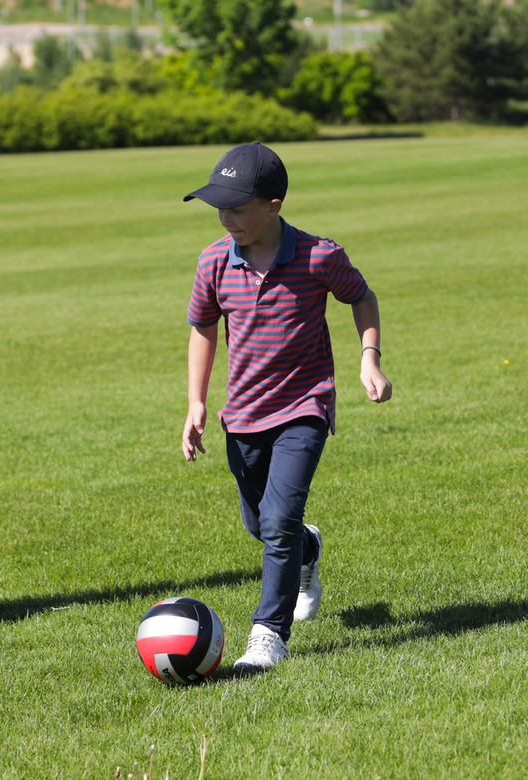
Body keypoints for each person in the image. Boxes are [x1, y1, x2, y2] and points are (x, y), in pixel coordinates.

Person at [181, 142, 392, 671]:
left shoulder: (319, 254)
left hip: (305, 405)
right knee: (262, 525)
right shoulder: (213, 261)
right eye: (220, 208)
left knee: (277, 519)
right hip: (242, 413)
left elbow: (361, 298)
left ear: (273, 205)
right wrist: (195, 403)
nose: (227, 218)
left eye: (238, 207)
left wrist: (369, 358)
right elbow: (203, 329)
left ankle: (267, 635)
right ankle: (308, 550)